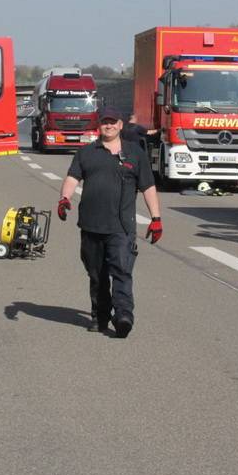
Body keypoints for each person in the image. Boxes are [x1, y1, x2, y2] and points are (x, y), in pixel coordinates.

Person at [58, 105, 162, 338]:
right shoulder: (86, 152)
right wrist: (64, 199)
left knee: (122, 271)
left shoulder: (135, 153)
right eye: (105, 121)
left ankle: (124, 315)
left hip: (122, 227)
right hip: (91, 225)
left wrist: (156, 218)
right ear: (99, 124)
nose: (109, 125)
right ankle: (100, 316)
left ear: (121, 125)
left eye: (113, 122)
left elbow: (148, 187)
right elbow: (73, 177)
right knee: (97, 275)